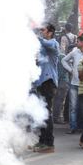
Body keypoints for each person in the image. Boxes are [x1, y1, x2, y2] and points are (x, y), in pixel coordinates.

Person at [33, 23, 59, 153]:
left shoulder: (53, 43)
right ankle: (42, 140)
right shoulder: (42, 47)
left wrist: (39, 39)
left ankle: (49, 143)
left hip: (48, 82)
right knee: (41, 113)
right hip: (41, 82)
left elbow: (48, 45)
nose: (40, 32)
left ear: (50, 33)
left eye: (43, 30)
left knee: (46, 113)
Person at [61, 35, 83, 134]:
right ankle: (73, 126)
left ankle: (81, 126)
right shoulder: (74, 52)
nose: (76, 43)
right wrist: (70, 70)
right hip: (74, 83)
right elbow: (63, 60)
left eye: (78, 41)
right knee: (73, 106)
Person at [53, 47, 71, 125]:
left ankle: (54, 116)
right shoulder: (63, 57)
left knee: (56, 99)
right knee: (60, 100)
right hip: (64, 80)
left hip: (55, 81)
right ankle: (56, 117)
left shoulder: (52, 57)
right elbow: (70, 69)